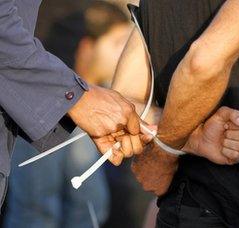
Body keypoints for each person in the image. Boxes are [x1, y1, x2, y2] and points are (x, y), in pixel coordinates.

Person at [111, 0, 239, 227]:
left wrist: (190, 138)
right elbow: (202, 63)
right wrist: (165, 150)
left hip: (189, 206)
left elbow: (121, 103)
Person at [0, 0, 151, 211]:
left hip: (30, 108)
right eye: (117, 43)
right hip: (34, 107)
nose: (120, 55)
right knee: (37, 210)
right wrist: (77, 98)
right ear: (86, 47)